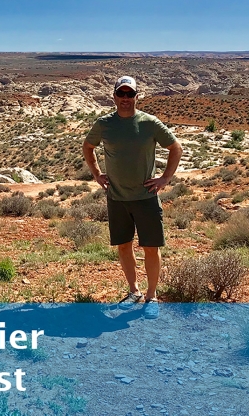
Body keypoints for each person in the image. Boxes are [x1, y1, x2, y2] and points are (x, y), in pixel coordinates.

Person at [82, 76, 183, 318]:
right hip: (117, 197)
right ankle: (133, 291)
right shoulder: (104, 124)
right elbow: (88, 147)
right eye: (121, 94)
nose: (125, 99)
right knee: (124, 246)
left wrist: (165, 178)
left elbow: (175, 147)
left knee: (151, 247)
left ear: (137, 96)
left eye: (130, 94)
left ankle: (152, 296)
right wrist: (97, 174)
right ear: (114, 96)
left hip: (146, 197)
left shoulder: (149, 123)